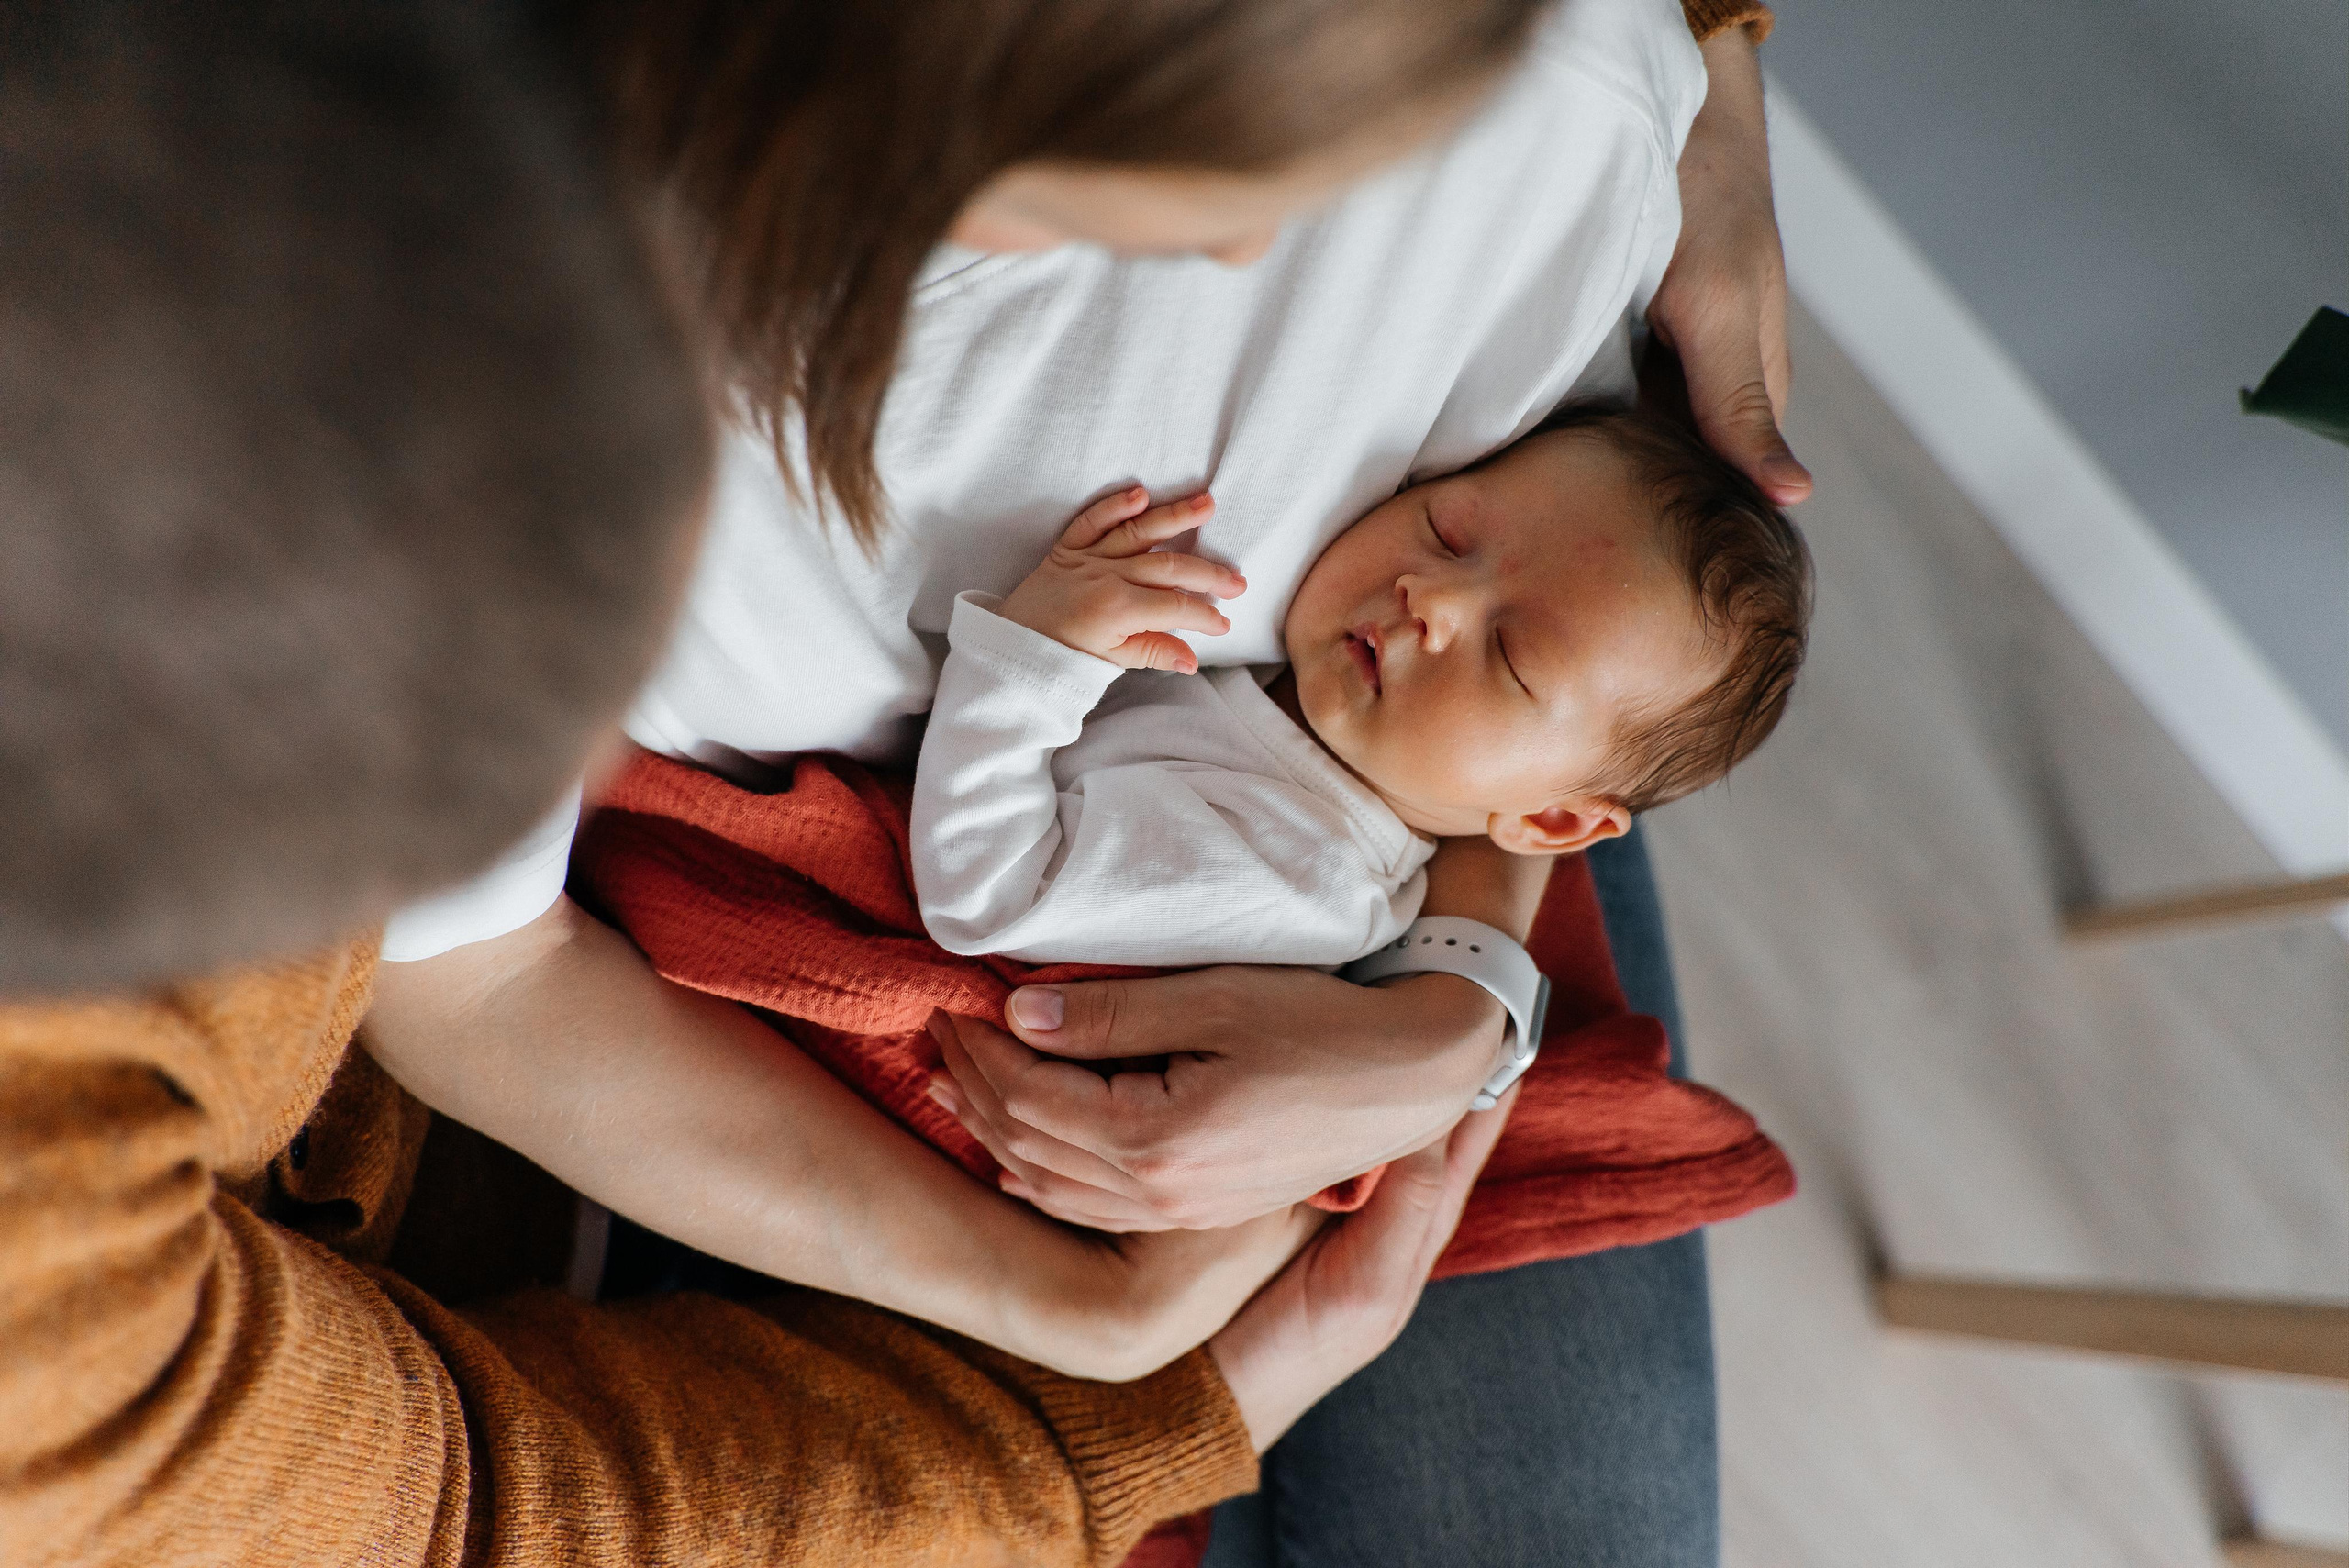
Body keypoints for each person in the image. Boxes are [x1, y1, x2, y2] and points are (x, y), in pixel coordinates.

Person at [0, 2, 1573, 1564]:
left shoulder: (382, 225)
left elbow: (1603, 587)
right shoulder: (53, 1295)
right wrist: (1094, 1389)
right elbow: (465, 1497)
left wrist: (1458, 986)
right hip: (681, 1217)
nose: (1237, 261)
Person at [365, 0, 1795, 1561]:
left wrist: (1454, 1006)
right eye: (1441, 533)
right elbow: (472, 978)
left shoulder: (1553, 128)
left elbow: (1570, 600)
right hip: (970, 1012)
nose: (1252, 256)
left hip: (1401, 896)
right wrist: (1084, 1315)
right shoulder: (533, 427)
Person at [908, 407, 1809, 969]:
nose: (1434, 598)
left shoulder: (1304, 877)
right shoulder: (1299, 693)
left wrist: (1033, 658)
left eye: (1511, 656)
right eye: (1446, 529)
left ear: (1551, 824)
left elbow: (993, 892)